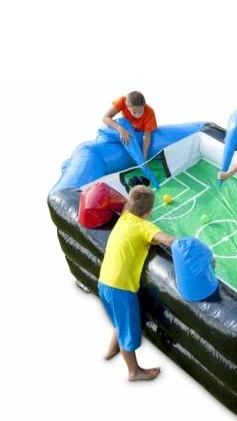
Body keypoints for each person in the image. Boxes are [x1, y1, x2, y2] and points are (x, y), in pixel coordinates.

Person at [98, 185, 176, 381]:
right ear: (149, 212)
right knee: (128, 332)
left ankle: (111, 350)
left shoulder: (124, 217)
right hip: (122, 288)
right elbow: (167, 240)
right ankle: (134, 371)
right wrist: (191, 248)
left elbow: (130, 206)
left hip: (104, 281)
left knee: (119, 322)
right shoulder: (144, 226)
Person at [102, 91, 157, 161]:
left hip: (140, 131)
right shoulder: (122, 101)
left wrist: (144, 156)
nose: (138, 115)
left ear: (144, 106)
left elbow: (147, 136)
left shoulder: (149, 112)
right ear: (127, 107)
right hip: (128, 128)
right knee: (122, 122)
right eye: (134, 112)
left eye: (140, 112)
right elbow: (105, 118)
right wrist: (120, 129)